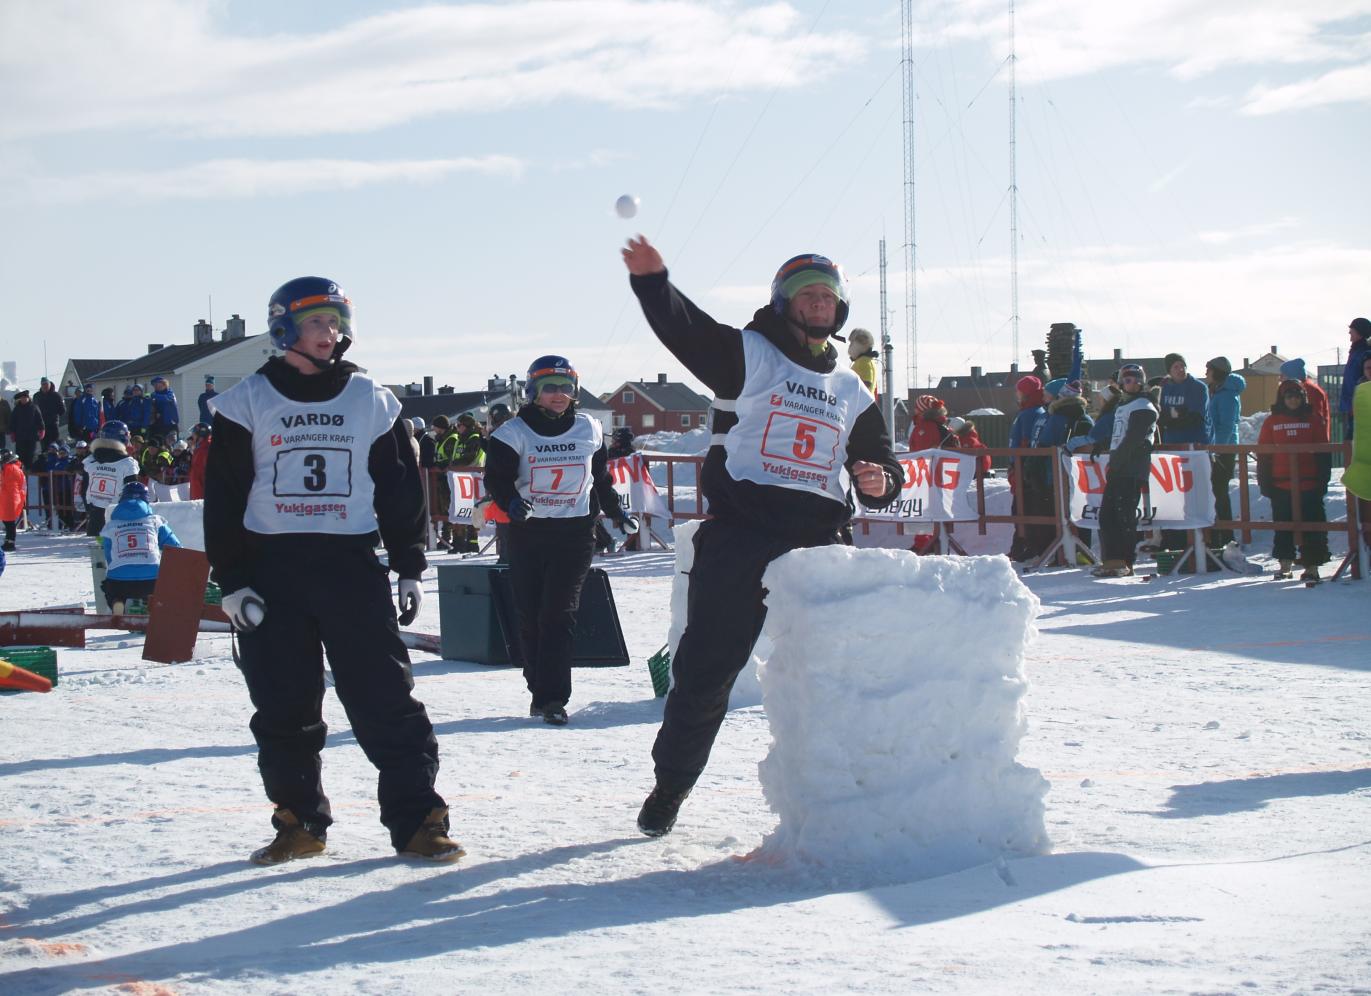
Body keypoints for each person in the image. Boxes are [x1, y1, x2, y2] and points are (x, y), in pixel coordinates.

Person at [622, 237, 903, 837]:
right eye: (808, 296)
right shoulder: (749, 355)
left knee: (839, 671)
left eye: (829, 296)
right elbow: (687, 332)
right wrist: (653, 283)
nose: (820, 304)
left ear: (841, 308)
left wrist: (880, 480)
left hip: (820, 543)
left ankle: (849, 793)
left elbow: (879, 460)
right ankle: (671, 785)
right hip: (743, 535)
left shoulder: (852, 387)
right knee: (705, 672)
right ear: (785, 303)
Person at [203, 275, 460, 865]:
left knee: (386, 699)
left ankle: (420, 820)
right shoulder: (247, 400)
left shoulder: (371, 398)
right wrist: (234, 579)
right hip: (274, 570)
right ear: (285, 328)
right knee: (284, 706)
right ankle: (299, 823)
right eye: (317, 321)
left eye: (337, 321)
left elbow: (399, 489)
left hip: (349, 565)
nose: (330, 332)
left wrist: (409, 565)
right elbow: (224, 496)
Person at [484, 356, 635, 725]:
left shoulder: (589, 429)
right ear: (534, 391)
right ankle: (538, 686)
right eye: (550, 386)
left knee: (558, 614)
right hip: (528, 534)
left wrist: (616, 512)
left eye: (566, 387)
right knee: (531, 616)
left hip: (575, 533)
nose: (558, 394)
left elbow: (599, 478)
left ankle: (553, 698)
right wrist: (512, 503)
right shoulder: (512, 433)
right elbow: (497, 481)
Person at [1257, 380, 1331, 581]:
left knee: (1313, 525)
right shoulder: (1271, 422)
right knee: (1283, 525)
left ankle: (1312, 566)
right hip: (1281, 484)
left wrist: (1323, 480)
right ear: (1282, 398)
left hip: (1309, 483)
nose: (1293, 400)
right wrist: (1264, 482)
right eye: (1289, 396)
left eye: (1297, 396)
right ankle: (1285, 564)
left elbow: (1323, 452)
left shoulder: (1314, 419)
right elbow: (1263, 454)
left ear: (1303, 398)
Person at [1091, 364, 1159, 577]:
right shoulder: (1123, 405)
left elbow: (1135, 439)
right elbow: (1119, 435)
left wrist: (1117, 461)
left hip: (1131, 467)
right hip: (1120, 465)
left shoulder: (1144, 406)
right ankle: (1112, 560)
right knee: (1108, 515)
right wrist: (1103, 445)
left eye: (1134, 380)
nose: (1130, 384)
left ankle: (1125, 561)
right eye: (1126, 380)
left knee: (1123, 515)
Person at [99, 480, 183, 612]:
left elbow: (109, 556)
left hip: (120, 582)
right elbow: (175, 547)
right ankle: (152, 603)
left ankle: (117, 602)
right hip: (153, 580)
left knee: (109, 588)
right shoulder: (155, 521)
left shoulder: (111, 526)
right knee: (158, 585)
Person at [1007, 375, 1050, 563]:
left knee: (1024, 508)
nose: (1017, 395)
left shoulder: (1031, 413)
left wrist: (1019, 466)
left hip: (1023, 468)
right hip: (1019, 466)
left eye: (1019, 391)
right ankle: (1021, 546)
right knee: (1020, 508)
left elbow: (1026, 442)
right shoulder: (1027, 412)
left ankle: (1028, 547)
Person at [1204, 357, 1247, 547]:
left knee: (1219, 492)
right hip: (1217, 449)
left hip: (1223, 450)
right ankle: (1218, 536)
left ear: (1217, 372)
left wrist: (1217, 449)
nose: (1206, 373)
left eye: (1209, 370)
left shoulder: (1227, 395)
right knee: (1215, 492)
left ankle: (1226, 537)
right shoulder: (1217, 392)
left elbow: (1226, 425)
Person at [1340, 318, 1371, 437]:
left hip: (1360, 407)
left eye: (1351, 330)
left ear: (1359, 331)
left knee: (1354, 440)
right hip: (1352, 405)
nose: (1349, 333)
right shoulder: (1356, 351)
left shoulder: (1364, 353)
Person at [8, 389, 45, 470]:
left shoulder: (34, 407)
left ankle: (30, 476)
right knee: (20, 457)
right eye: (22, 398)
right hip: (20, 438)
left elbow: (40, 420)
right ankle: (21, 474)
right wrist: (12, 433)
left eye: (25, 397)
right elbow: (12, 422)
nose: (23, 399)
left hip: (31, 437)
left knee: (30, 457)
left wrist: (42, 430)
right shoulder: (17, 409)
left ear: (28, 398)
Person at [1, 450, 25, 551]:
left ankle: (10, 542)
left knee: (9, 521)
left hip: (11, 497)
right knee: (7, 521)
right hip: (8, 496)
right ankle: (8, 540)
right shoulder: (9, 468)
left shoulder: (11, 469)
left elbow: (8, 484)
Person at [847, 327, 879, 396]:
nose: (850, 346)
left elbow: (866, 384)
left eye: (852, 342)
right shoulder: (865, 360)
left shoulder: (864, 362)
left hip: (860, 404)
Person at [34, 377, 65, 448]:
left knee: (55, 445)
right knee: (44, 446)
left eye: (46, 384)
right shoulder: (37, 396)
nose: (45, 386)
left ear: (49, 384)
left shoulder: (56, 396)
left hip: (53, 424)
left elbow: (62, 410)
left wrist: (53, 413)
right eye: (43, 384)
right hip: (42, 426)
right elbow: (34, 410)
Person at [149, 375, 179, 441]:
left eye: (158, 384)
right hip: (158, 425)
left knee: (171, 444)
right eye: (154, 385)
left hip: (170, 425)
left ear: (164, 384)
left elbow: (167, 399)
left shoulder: (170, 393)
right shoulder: (154, 396)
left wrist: (155, 396)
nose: (156, 387)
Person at [188, 423, 211, 500]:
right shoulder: (199, 448)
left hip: (202, 492)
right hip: (197, 490)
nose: (193, 437)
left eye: (194, 434)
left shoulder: (206, 449)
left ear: (200, 435)